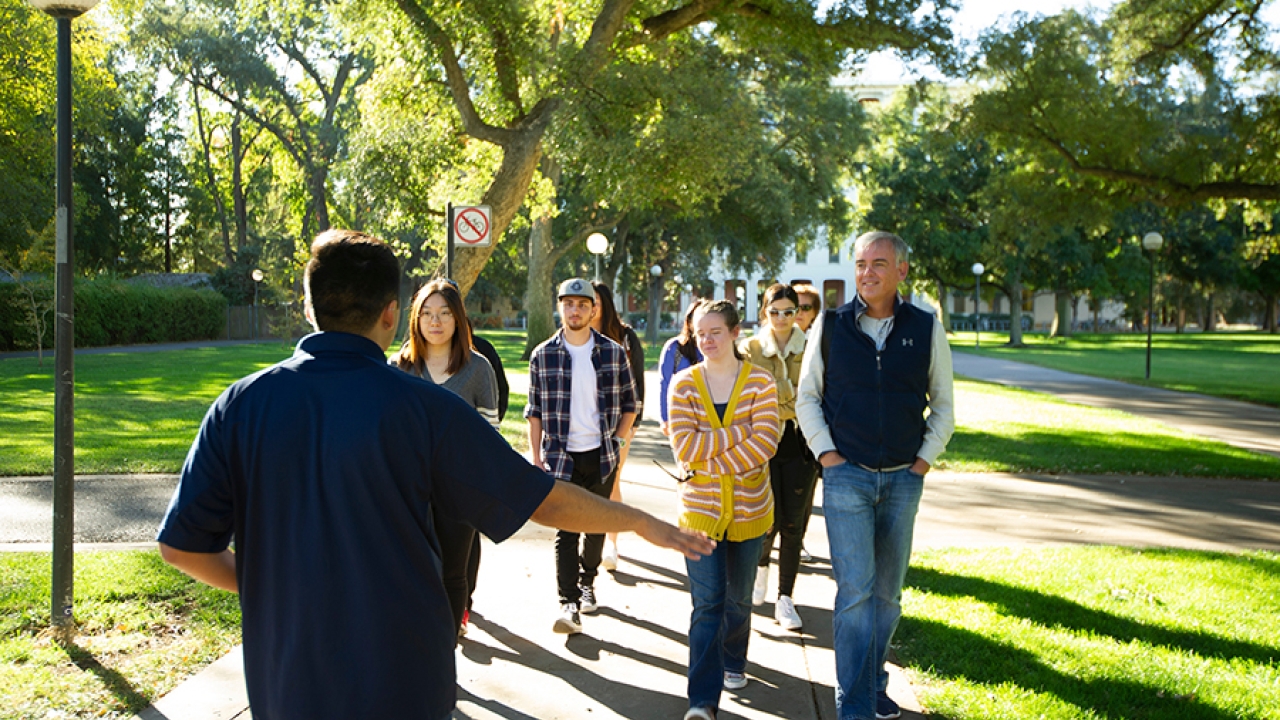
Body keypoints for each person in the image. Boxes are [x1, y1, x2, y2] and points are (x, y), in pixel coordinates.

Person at [156, 231, 713, 720]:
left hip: (287, 677)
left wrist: (277, 589)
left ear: (308, 308)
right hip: (405, 675)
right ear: (392, 313)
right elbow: (541, 499)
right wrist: (639, 521)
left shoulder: (240, 406)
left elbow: (183, 547)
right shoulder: (426, 409)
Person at [796, 231, 955, 720]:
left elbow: (944, 405)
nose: (867, 273)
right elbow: (807, 397)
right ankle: (855, 706)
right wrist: (827, 455)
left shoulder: (926, 326)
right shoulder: (832, 324)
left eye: (878, 264)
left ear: (902, 271)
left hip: (904, 479)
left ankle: (872, 683)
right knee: (855, 592)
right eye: (861, 264)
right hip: (848, 478)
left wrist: (923, 460)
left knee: (888, 597)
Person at [668, 300, 780, 720]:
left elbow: (765, 444)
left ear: (735, 332)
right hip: (699, 512)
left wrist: (709, 457)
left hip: (751, 510)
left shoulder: (761, 383)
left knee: (737, 599)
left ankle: (734, 659)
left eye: (715, 331)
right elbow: (686, 448)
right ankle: (701, 700)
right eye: (700, 334)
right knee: (708, 603)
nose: (707, 340)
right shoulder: (682, 384)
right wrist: (739, 434)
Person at [526, 277, 638, 634]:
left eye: (582, 305)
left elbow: (629, 405)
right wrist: (535, 456)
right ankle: (568, 602)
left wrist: (618, 444)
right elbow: (535, 411)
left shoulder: (613, 352)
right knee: (566, 530)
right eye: (568, 304)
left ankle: (587, 581)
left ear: (593, 309)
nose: (574, 311)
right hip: (560, 457)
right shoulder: (542, 355)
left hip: (601, 454)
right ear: (560, 307)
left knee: (596, 525)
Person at [390, 278, 499, 639]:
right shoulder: (399, 367)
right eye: (427, 313)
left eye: (444, 314)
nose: (435, 322)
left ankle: (446, 650)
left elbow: (489, 436)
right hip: (409, 492)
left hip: (458, 492)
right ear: (415, 319)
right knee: (412, 572)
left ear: (458, 319)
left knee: (453, 574)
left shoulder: (478, 369)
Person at [740, 283, 819, 631]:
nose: (784, 318)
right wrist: (790, 396)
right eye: (775, 312)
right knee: (765, 520)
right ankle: (760, 570)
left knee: (793, 522)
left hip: (802, 443)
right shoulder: (751, 348)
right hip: (762, 442)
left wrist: (781, 396)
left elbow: (815, 395)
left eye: (790, 311)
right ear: (764, 313)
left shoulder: (813, 346)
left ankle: (785, 598)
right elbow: (751, 396)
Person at [590, 281, 646, 571]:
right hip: (584, 424)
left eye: (595, 301)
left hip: (620, 424)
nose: (590, 307)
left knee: (612, 479)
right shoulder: (575, 337)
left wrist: (630, 426)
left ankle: (611, 543)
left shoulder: (626, 337)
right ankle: (590, 539)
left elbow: (637, 385)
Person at [790, 282, 822, 564]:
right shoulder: (767, 341)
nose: (799, 312)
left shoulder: (819, 342)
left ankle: (797, 541)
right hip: (778, 429)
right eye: (794, 306)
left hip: (809, 430)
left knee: (805, 491)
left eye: (805, 307)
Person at [658, 300, 704, 436]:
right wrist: (665, 418)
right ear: (688, 322)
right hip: (681, 414)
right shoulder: (675, 347)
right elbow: (664, 383)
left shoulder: (715, 347)